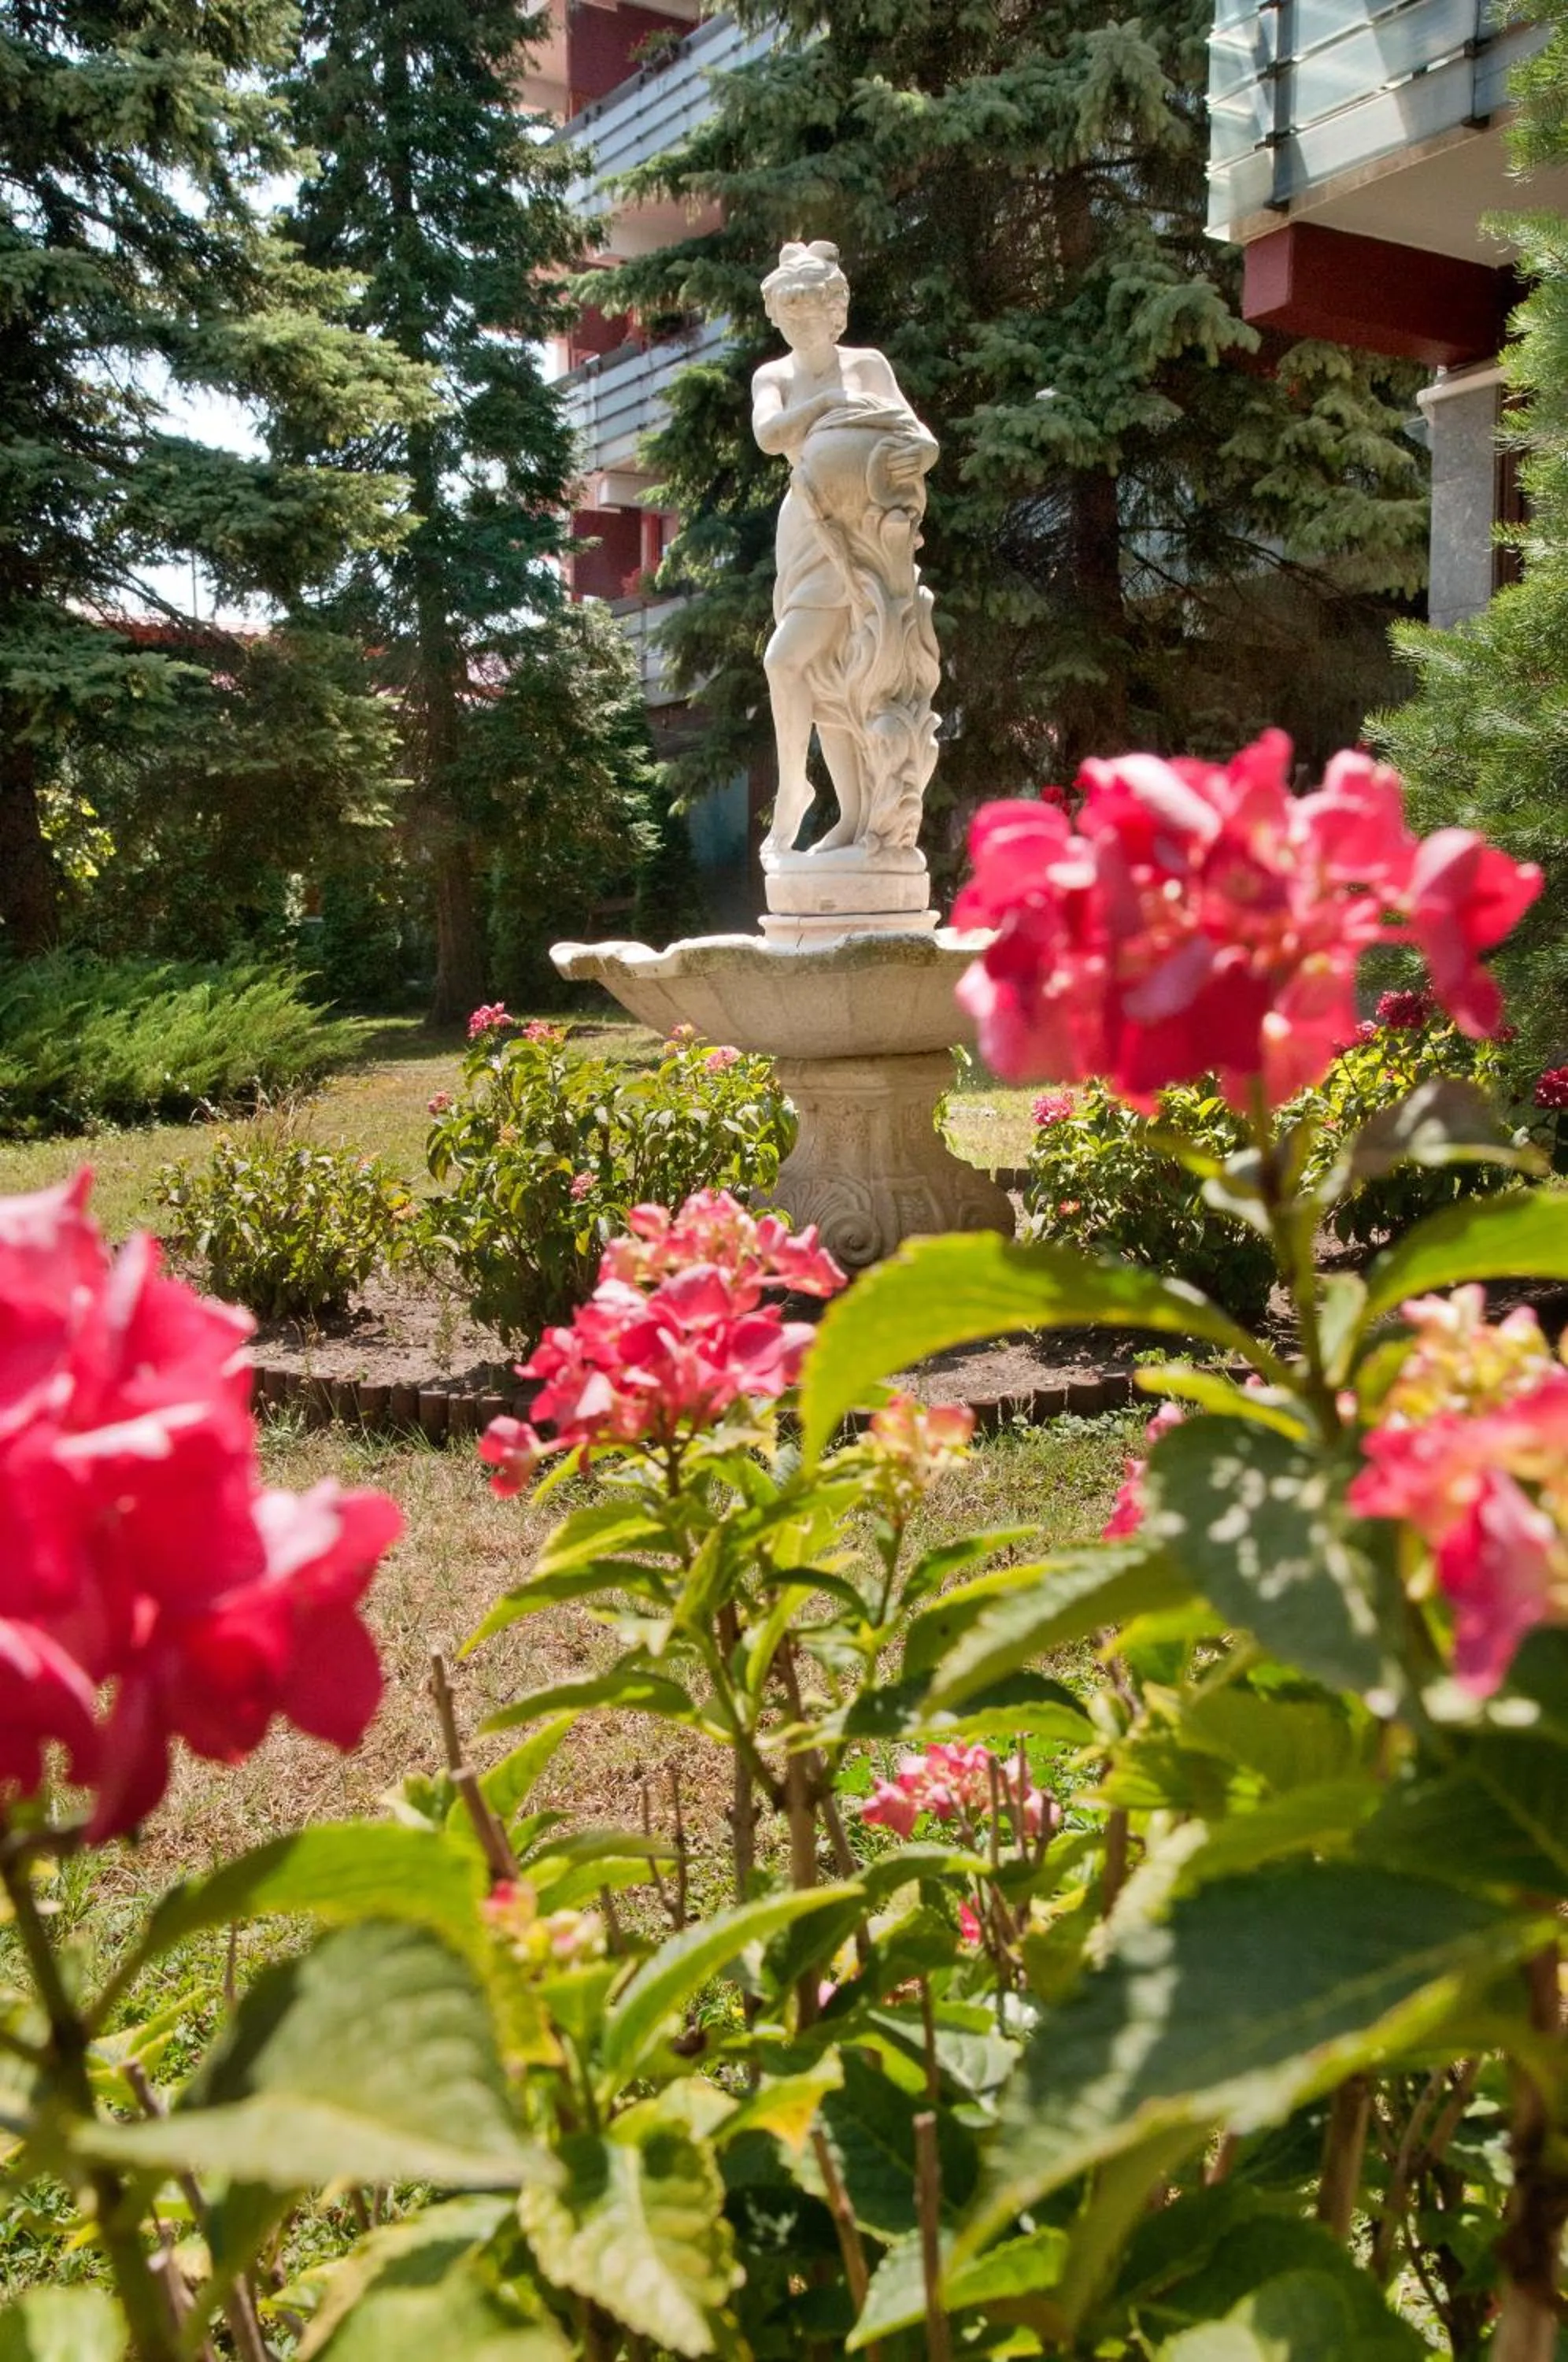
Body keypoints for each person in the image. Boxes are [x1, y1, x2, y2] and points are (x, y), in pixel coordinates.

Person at [753, 242, 937, 862]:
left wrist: (918, 457)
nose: (805, 322)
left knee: (788, 661)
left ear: (837, 312)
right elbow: (769, 435)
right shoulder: (774, 377)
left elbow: (920, 439)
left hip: (857, 526)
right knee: (830, 678)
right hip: (805, 522)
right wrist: (829, 405)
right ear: (778, 316)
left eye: (816, 310)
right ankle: (855, 819)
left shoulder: (868, 366)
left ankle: (795, 791)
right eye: (792, 312)